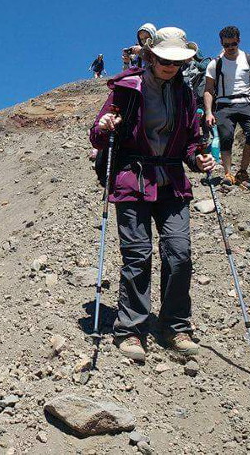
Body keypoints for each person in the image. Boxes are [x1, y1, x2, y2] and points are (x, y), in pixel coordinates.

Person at [90, 27, 215, 361]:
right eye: (164, 60)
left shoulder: (185, 94)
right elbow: (98, 136)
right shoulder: (126, 89)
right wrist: (105, 127)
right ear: (150, 56)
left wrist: (198, 157)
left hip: (172, 180)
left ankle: (175, 325)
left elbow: (190, 140)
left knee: (180, 253)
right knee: (138, 255)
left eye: (176, 62)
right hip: (133, 178)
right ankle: (130, 329)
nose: (170, 67)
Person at [204, 25, 250, 185]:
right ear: (221, 44)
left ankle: (243, 170)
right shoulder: (215, 64)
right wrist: (209, 112)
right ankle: (227, 174)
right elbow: (208, 89)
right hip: (224, 105)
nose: (230, 48)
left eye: (233, 44)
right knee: (225, 137)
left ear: (239, 41)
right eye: (226, 45)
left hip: (246, 103)